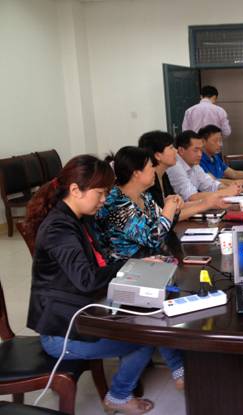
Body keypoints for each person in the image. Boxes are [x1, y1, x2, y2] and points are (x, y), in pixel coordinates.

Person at [24, 155, 160, 414]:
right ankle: (118, 396)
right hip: (61, 331)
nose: (104, 199)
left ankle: (179, 369)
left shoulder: (77, 219)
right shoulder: (59, 229)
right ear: (75, 190)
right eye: (100, 193)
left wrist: (135, 265)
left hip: (80, 311)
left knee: (151, 310)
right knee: (145, 338)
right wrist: (128, 266)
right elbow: (87, 280)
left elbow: (98, 266)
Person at [95, 146, 184, 262]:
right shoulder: (116, 203)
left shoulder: (144, 195)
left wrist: (174, 210)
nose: (154, 170)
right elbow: (153, 238)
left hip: (151, 260)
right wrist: (169, 209)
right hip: (126, 267)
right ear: (136, 173)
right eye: (151, 166)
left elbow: (163, 228)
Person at [138, 130, 228, 218]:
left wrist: (210, 202)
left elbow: (178, 207)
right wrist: (205, 204)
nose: (176, 151)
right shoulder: (148, 181)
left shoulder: (164, 175)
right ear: (158, 155)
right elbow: (163, 216)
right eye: (171, 148)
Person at [167, 130, 241, 202]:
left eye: (201, 150)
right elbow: (191, 197)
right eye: (196, 150)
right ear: (181, 151)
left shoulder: (194, 165)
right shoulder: (175, 166)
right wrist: (225, 192)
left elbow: (210, 185)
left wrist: (225, 188)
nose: (200, 154)